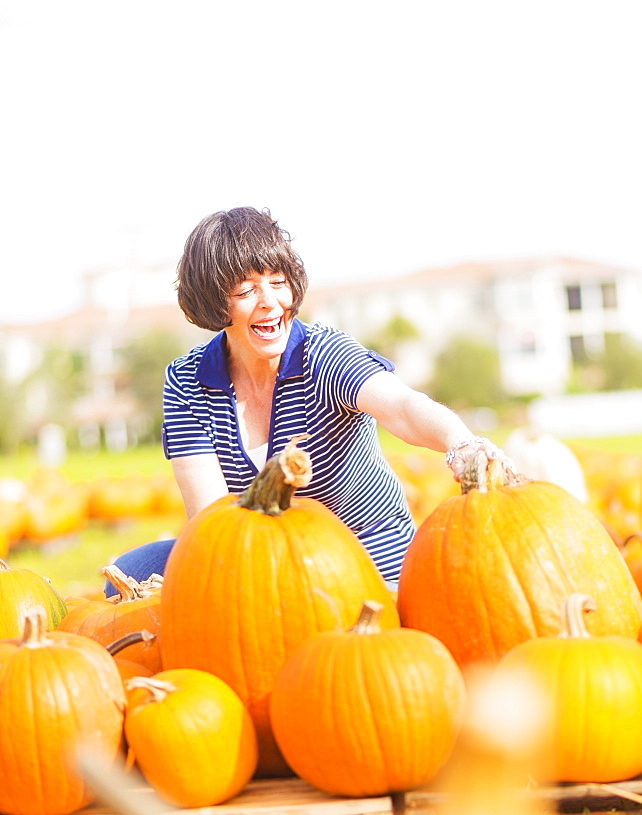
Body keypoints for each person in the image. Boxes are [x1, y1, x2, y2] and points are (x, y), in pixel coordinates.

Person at [106, 207, 511, 595]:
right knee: (132, 573)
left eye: (278, 282)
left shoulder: (324, 354)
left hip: (362, 553)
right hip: (261, 555)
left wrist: (461, 441)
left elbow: (403, 407)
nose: (269, 301)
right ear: (214, 302)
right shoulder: (188, 380)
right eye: (246, 289)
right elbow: (211, 518)